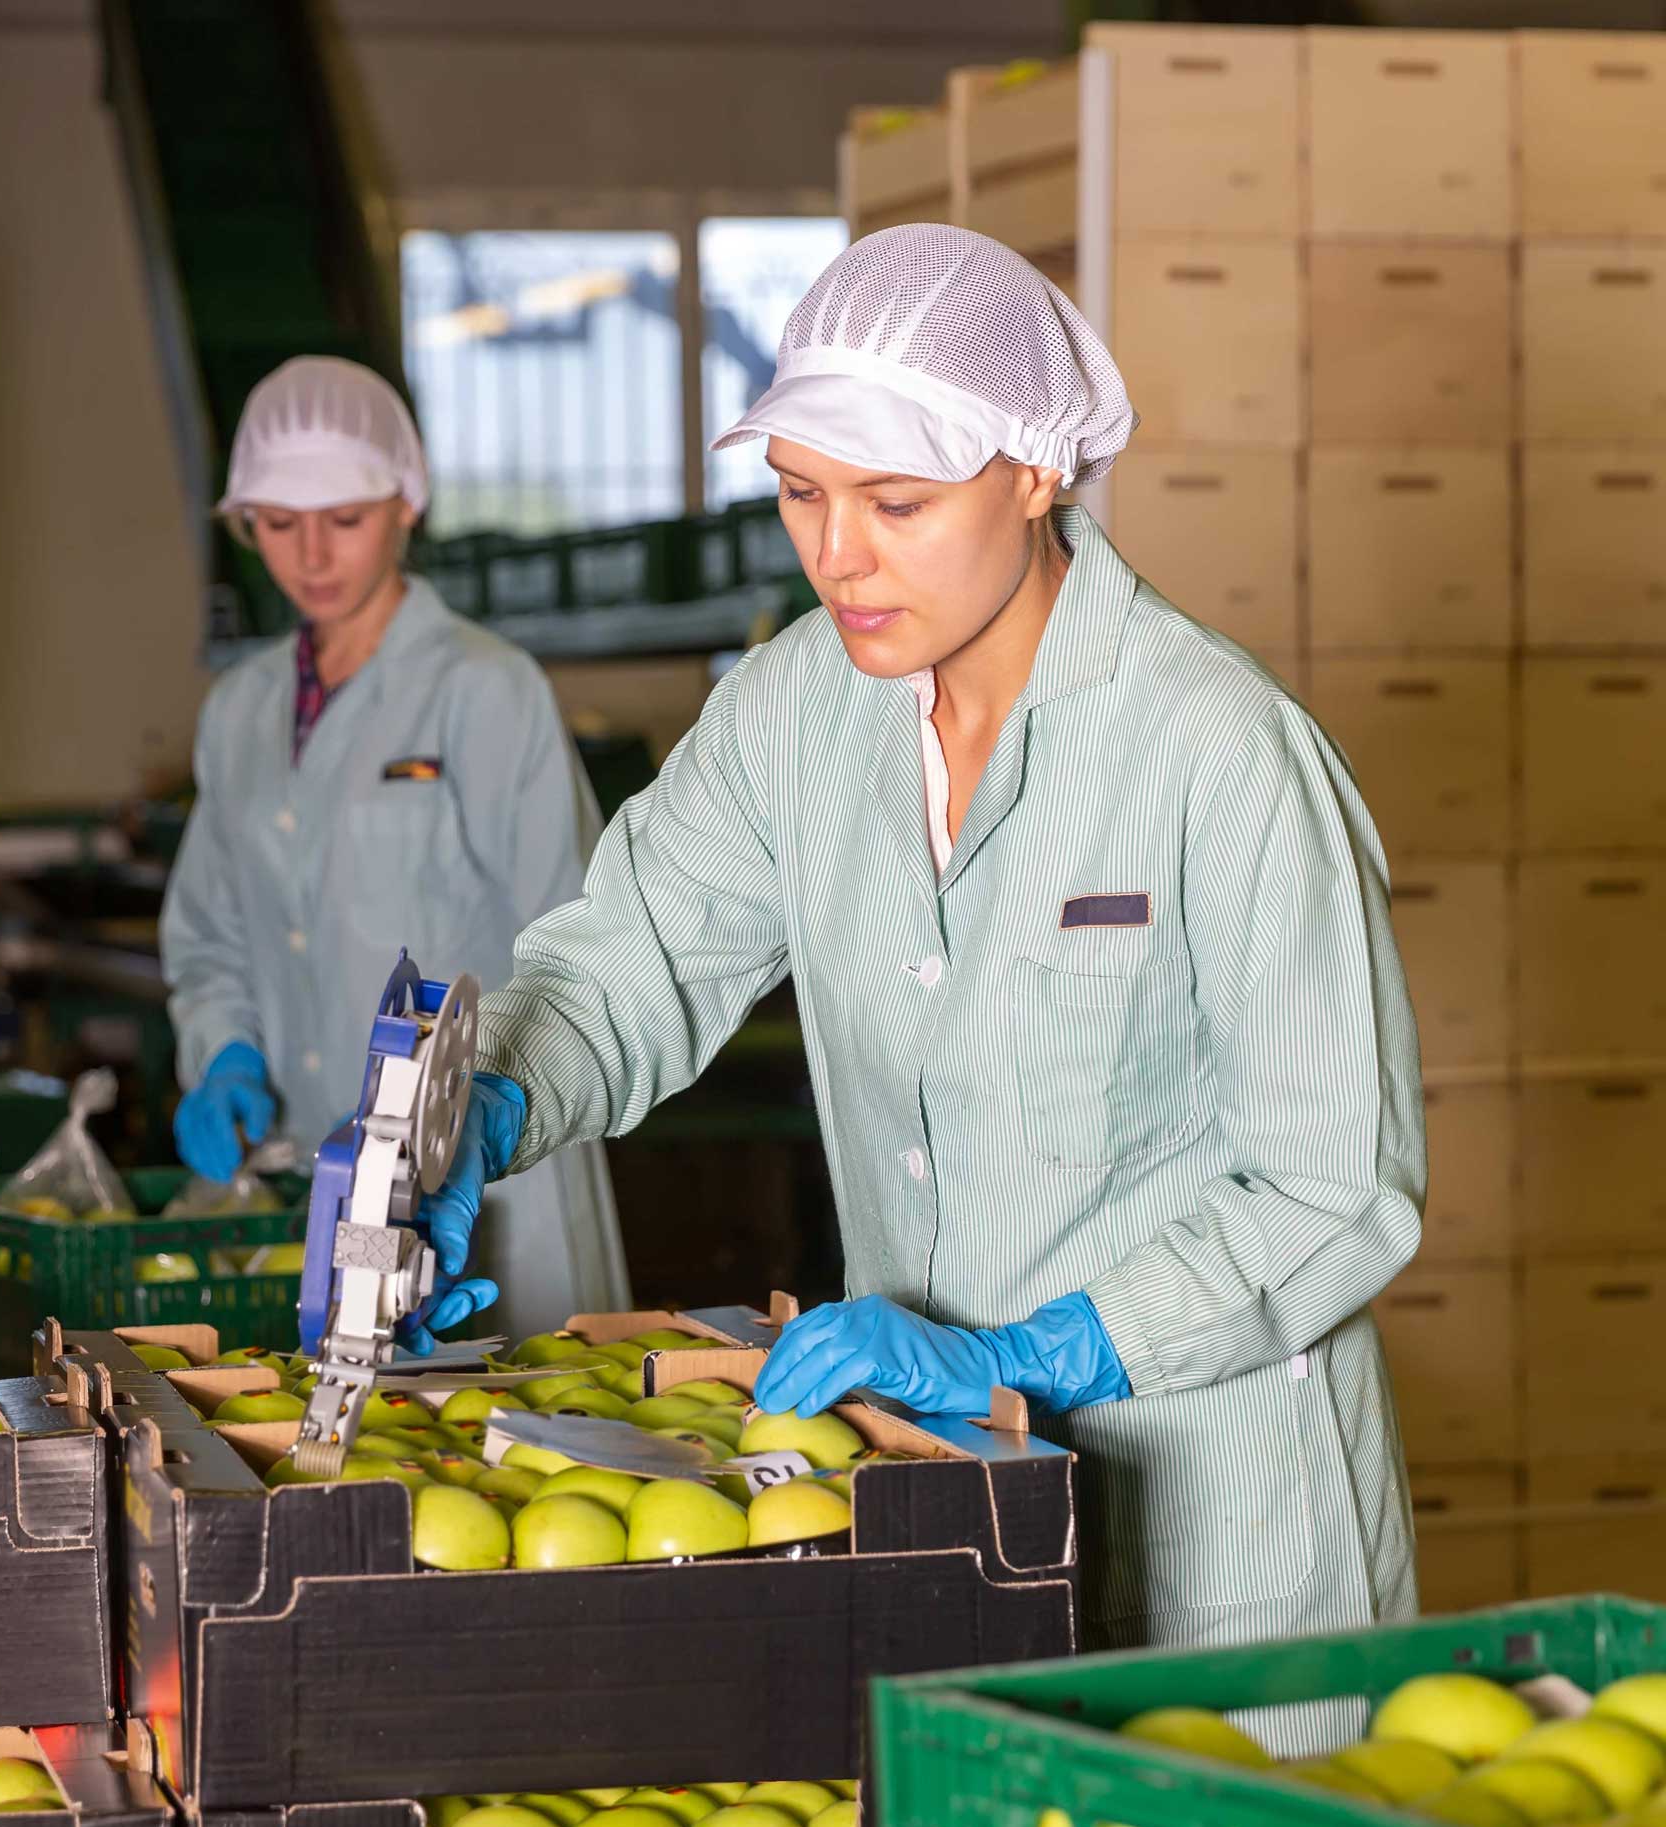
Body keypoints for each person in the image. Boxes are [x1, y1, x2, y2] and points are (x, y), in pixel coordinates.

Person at [415, 228, 1426, 1741]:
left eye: (896, 502)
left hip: (1228, 1550)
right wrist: (487, 1096)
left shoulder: (1217, 752)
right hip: (944, 1508)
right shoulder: (797, 715)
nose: (837, 555)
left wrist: (1037, 1353)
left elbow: (1334, 1187)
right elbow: (635, 952)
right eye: (804, 494)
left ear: (1035, 474)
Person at [160, 356, 628, 1340]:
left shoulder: (485, 690)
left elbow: (584, 936)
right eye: (277, 524)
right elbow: (210, 935)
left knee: (512, 1449)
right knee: (342, 1460)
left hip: (486, 1177)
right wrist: (224, 1049)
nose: (311, 553)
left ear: (405, 503)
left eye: (343, 518)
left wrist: (497, 1100)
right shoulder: (239, 712)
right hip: (310, 1175)